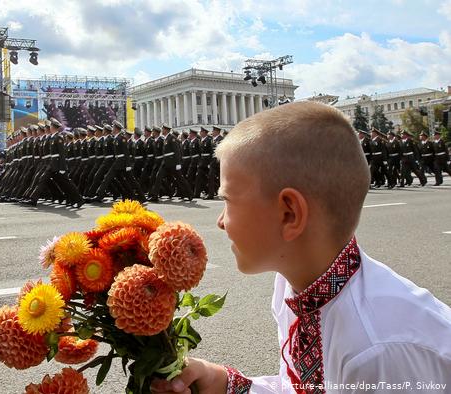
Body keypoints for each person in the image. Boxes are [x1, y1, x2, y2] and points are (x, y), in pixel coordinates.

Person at [150, 102, 451, 394]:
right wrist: (223, 384)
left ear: (289, 214)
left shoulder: (374, 351)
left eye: (227, 201)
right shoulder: (299, 283)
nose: (221, 221)